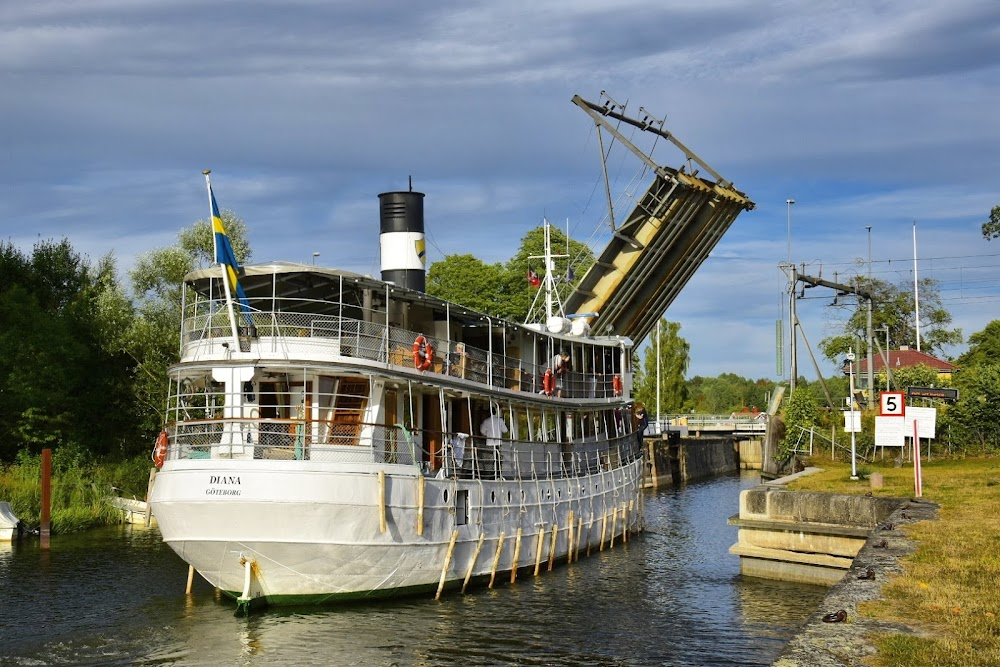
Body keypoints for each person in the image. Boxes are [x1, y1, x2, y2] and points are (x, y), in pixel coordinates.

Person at [480, 406, 509, 476]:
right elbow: (505, 430)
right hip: (498, 443)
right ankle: (498, 473)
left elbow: (482, 431)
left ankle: (491, 473)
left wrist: (488, 434)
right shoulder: (500, 420)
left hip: (489, 443)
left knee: (490, 459)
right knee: (498, 458)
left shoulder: (486, 421)